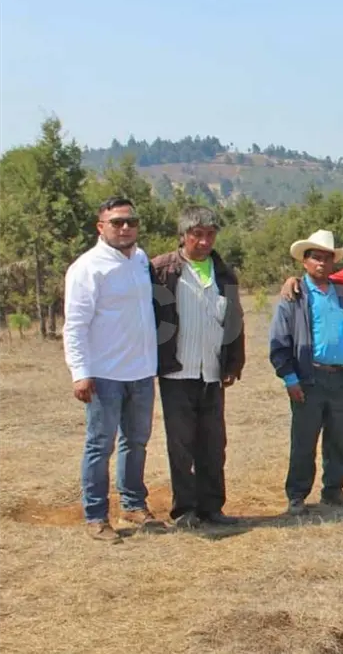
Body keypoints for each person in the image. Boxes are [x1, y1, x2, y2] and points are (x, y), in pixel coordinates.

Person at [63, 197, 160, 542]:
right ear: (100, 227)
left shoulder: (140, 259)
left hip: (141, 371)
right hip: (104, 374)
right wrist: (80, 372)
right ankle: (96, 515)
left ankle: (133, 505)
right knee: (100, 445)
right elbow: (75, 325)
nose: (125, 228)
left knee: (137, 442)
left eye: (131, 221)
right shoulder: (87, 268)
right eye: (117, 222)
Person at [150, 206, 245, 528]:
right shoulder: (162, 271)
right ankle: (185, 510)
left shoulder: (223, 274)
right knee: (181, 446)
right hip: (177, 370)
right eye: (197, 234)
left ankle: (212, 507)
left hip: (212, 372)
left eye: (210, 234)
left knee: (214, 444)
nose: (204, 241)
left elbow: (235, 321)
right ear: (183, 236)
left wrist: (233, 362)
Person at [268, 230, 343, 515]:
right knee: (304, 439)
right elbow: (279, 342)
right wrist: (290, 378)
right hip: (309, 378)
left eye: (327, 257)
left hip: (339, 377)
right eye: (316, 257)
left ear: (334, 261)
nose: (322, 262)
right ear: (305, 261)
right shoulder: (295, 295)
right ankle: (297, 495)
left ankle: (333, 490)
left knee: (337, 439)